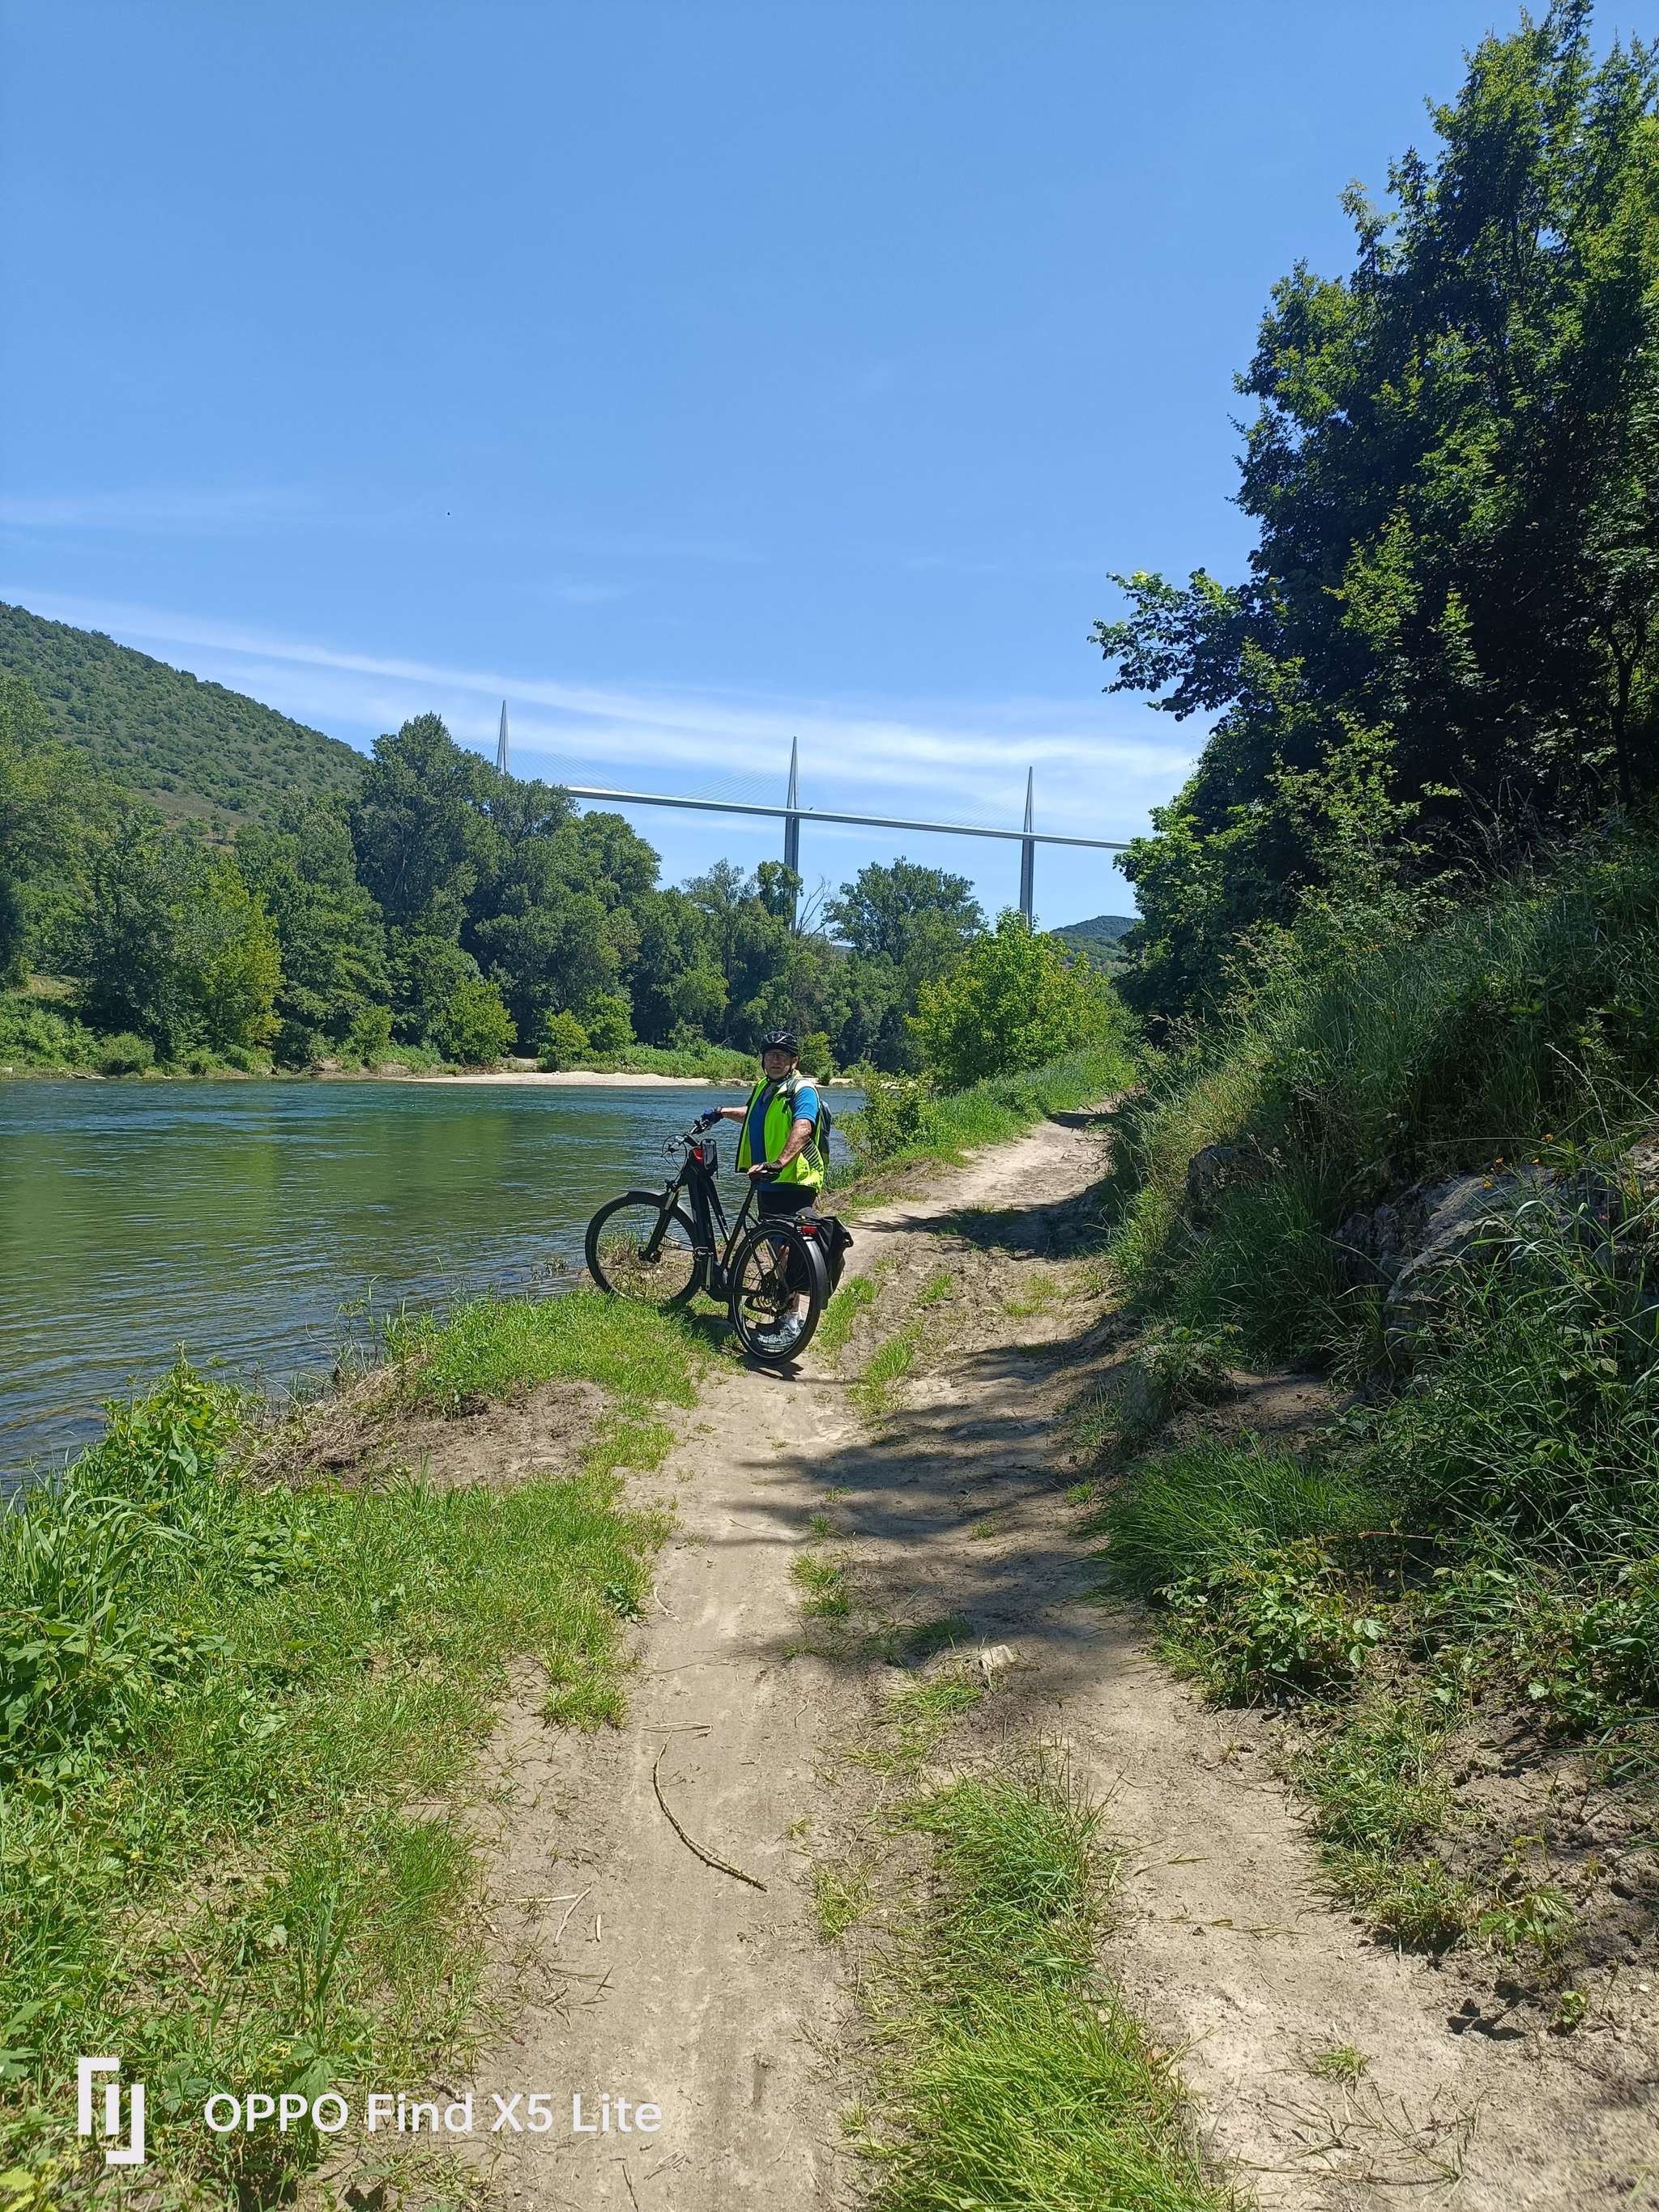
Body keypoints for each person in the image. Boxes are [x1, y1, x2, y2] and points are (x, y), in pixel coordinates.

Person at [697, 1028, 825, 1345]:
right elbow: (755, 1115)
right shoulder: (765, 1088)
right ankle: (784, 1314)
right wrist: (722, 1113)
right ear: (763, 1060)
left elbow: (804, 1126)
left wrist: (779, 1162)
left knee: (789, 1249)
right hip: (767, 1179)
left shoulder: (802, 1090)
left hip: (794, 1180)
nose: (775, 1060)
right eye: (770, 1055)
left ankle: (791, 1320)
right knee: (776, 1246)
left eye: (782, 1056)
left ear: (794, 1061)